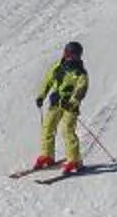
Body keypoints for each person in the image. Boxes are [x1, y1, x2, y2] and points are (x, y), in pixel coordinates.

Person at [33, 40, 89, 174]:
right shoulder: (58, 66)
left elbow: (81, 91)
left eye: (73, 55)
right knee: (48, 127)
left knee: (67, 130)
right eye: (67, 54)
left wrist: (72, 102)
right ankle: (47, 155)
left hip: (70, 106)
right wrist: (41, 95)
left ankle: (74, 159)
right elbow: (48, 81)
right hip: (56, 103)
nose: (69, 57)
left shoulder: (81, 73)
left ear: (78, 57)